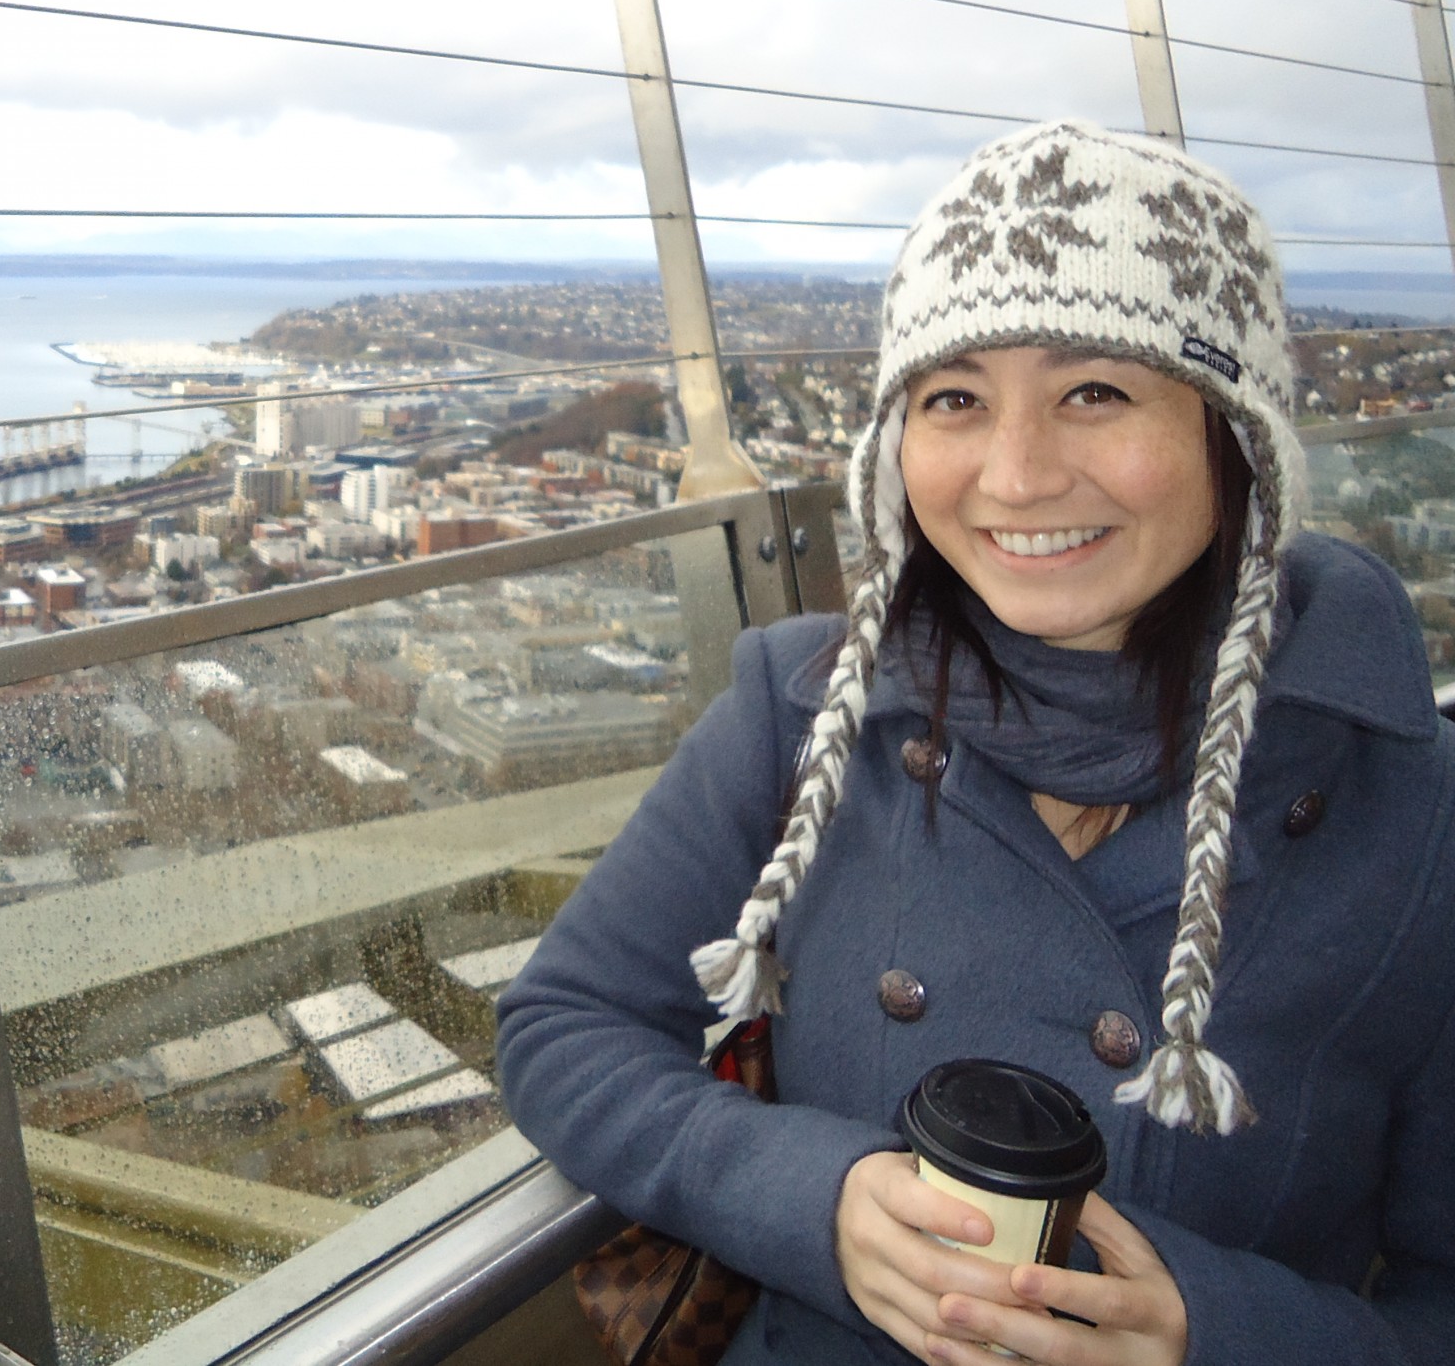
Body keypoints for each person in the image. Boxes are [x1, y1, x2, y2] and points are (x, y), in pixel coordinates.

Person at [496, 120, 1455, 1365]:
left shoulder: (1412, 810)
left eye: (1094, 391)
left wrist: (1212, 1333)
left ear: (1237, 439)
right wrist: (814, 1199)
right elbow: (566, 1021)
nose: (1013, 475)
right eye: (954, 399)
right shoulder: (805, 709)